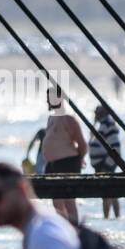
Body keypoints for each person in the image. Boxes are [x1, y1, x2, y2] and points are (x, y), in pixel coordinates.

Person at [40, 90, 86, 224]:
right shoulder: (51, 118)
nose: (48, 101)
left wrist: (79, 159)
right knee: (56, 202)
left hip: (68, 162)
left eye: (52, 98)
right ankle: (64, 228)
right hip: (52, 164)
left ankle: (74, 229)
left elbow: (82, 144)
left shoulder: (68, 119)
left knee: (68, 200)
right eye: (48, 98)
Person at [87, 104, 121, 219]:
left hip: (105, 164)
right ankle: (113, 219)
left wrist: (108, 164)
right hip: (101, 164)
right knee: (110, 193)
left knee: (107, 193)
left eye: (97, 111)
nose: (95, 113)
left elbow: (115, 146)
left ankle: (108, 219)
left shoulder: (107, 124)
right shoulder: (102, 124)